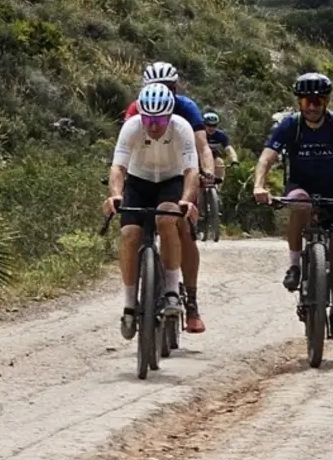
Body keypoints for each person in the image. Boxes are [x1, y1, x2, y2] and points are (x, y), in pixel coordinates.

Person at [252, 72, 333, 340]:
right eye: (308, 100)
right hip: (300, 187)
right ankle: (295, 265)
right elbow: (265, 160)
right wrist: (259, 186)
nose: (313, 105)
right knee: (301, 205)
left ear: (327, 101)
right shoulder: (290, 126)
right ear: (299, 102)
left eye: (319, 100)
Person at [102, 83, 200, 341]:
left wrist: (187, 201)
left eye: (159, 119)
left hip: (171, 180)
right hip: (138, 180)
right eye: (147, 118)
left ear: (169, 116)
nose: (153, 125)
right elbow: (118, 168)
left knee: (167, 218)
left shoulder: (182, 128)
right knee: (129, 235)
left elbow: (191, 172)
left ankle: (170, 292)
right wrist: (115, 194)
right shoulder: (131, 127)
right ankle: (129, 306)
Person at [123, 62, 214, 334]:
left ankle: (192, 302)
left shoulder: (186, 109)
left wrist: (206, 173)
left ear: (176, 89)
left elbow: (202, 146)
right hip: (144, 174)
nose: (163, 93)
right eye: (155, 88)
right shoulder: (136, 110)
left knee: (183, 229)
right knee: (133, 231)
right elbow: (129, 145)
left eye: (169, 89)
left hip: (181, 173)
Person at [202, 110, 239, 182]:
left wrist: (234, 160)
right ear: (204, 124)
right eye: (209, 125)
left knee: (220, 163)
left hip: (213, 156)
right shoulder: (198, 133)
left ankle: (218, 189)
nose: (212, 128)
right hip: (197, 156)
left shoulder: (221, 135)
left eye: (214, 125)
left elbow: (229, 149)